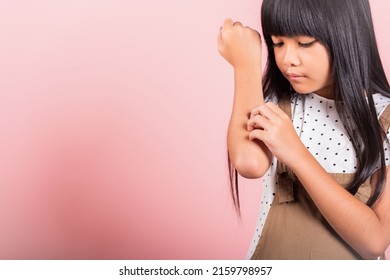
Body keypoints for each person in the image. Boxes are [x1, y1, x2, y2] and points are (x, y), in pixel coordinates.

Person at [217, 0, 390, 260]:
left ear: (347, 35)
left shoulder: (383, 118)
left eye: (305, 43)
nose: (288, 59)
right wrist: (246, 65)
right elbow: (249, 162)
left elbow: (375, 241)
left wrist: (295, 154)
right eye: (278, 43)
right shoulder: (280, 104)